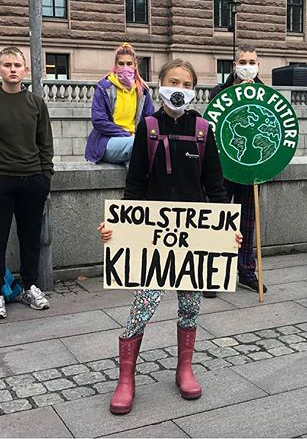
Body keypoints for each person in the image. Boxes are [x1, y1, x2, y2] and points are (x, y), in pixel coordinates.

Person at [98, 59, 242, 415]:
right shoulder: (147, 128)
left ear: (194, 89)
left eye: (186, 83)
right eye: (172, 80)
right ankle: (126, 379)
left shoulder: (203, 130)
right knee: (141, 309)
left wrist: (228, 229)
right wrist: (119, 229)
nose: (179, 88)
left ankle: (185, 368)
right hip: (152, 239)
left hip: (193, 239)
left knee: (190, 306)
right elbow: (133, 187)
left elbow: (216, 188)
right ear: (159, 84)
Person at [0, 46, 53, 319]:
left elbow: (45, 143)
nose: (12, 69)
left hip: (32, 181)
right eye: (7, 65)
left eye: (17, 65)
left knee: (30, 239)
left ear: (25, 70)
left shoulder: (36, 104)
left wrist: (45, 176)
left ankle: (30, 286)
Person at [206, 45, 266, 297]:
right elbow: (213, 128)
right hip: (223, 168)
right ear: (234, 65)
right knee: (220, 221)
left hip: (251, 168)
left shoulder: (265, 94)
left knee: (248, 222)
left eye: (252, 61)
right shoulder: (219, 92)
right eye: (243, 60)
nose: (248, 65)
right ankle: (214, 273)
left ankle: (246, 270)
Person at [85, 43, 154, 164]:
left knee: (142, 152)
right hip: (107, 141)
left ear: (135, 66)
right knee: (137, 146)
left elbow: (150, 119)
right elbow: (99, 121)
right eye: (121, 64)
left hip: (134, 141)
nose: (125, 67)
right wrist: (126, 135)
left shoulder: (142, 90)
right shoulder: (103, 87)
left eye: (129, 64)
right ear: (115, 66)